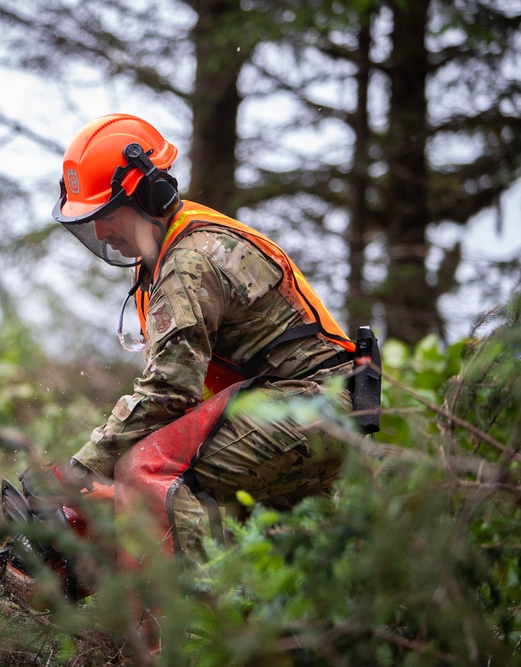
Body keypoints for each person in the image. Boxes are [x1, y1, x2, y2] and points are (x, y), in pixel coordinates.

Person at [39, 113, 377, 565]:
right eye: (90, 221)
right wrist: (101, 495)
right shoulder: (161, 262)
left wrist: (79, 469)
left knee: (146, 473)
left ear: (148, 196)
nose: (101, 232)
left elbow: (168, 392)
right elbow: (183, 401)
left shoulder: (188, 263)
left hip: (311, 404)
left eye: (107, 214)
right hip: (286, 406)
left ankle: (186, 626)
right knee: (280, 559)